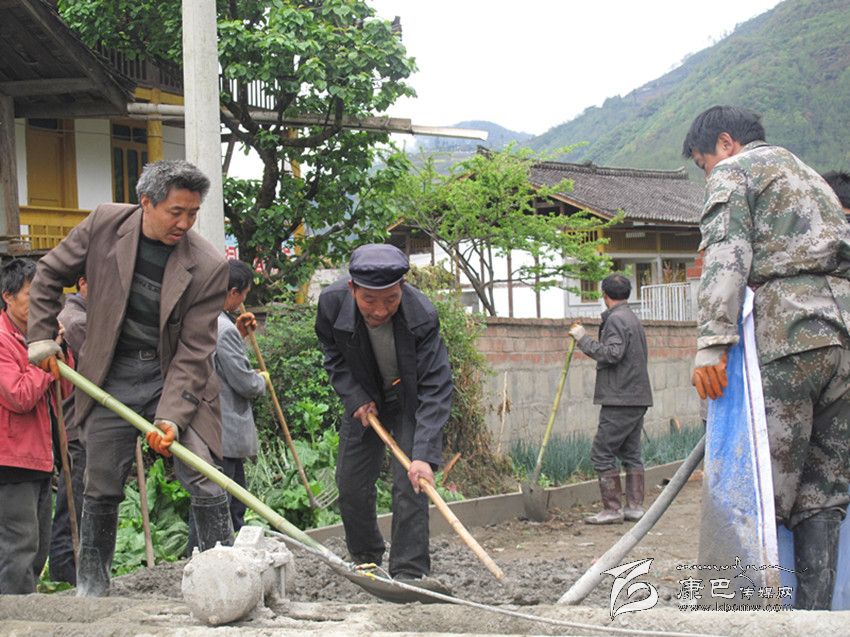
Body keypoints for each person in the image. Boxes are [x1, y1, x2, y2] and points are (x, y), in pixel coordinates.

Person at [27, 159, 232, 596]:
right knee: (100, 479)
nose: (185, 223)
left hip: (169, 373)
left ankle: (226, 581)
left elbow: (195, 350)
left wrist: (171, 417)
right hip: (109, 371)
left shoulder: (208, 265)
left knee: (202, 471)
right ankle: (93, 587)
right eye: (176, 212)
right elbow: (48, 274)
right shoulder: (105, 224)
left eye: (193, 213)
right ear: (146, 203)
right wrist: (42, 337)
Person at [682, 105, 850, 610]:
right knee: (823, 495)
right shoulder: (811, 177)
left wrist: (712, 344)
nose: (708, 174)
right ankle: (818, 620)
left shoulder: (737, 170)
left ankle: (759, 617)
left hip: (790, 336)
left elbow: (726, 254)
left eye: (703, 163)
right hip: (843, 337)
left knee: (764, 488)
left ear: (725, 143)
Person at [315, 244, 453, 592]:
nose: (380, 310)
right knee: (351, 483)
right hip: (365, 400)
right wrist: (354, 396)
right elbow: (333, 354)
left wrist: (423, 454)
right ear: (352, 289)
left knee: (412, 481)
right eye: (369, 300)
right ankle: (367, 561)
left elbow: (436, 386)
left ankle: (409, 572)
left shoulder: (421, 315)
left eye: (390, 299)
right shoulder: (331, 304)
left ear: (402, 287)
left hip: (408, 401)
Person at [0, 259, 70, 594]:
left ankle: (21, 607)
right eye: (32, 294)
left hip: (39, 457)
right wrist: (42, 362)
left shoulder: (35, 336)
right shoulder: (3, 340)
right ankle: (13, 615)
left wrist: (60, 351)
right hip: (12, 459)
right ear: (8, 296)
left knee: (37, 547)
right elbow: (19, 396)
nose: (41, 302)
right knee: (19, 546)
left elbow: (64, 391)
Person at [188, 260, 266, 550]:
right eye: (244, 294)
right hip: (225, 429)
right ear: (233, 292)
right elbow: (244, 382)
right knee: (226, 504)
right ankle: (218, 557)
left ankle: (204, 555)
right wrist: (261, 380)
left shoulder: (201, 318)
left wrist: (238, 333)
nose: (243, 300)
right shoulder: (223, 329)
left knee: (213, 501)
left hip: (205, 427)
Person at [568, 274, 652, 525]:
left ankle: (612, 509)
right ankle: (634, 507)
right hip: (637, 396)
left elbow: (613, 353)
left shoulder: (616, 320)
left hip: (620, 398)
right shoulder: (632, 318)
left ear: (604, 295)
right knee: (631, 452)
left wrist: (583, 339)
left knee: (602, 452)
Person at [48, 275, 89, 585]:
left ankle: (72, 570)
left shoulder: (80, 317)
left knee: (80, 502)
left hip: (80, 426)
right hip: (75, 427)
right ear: (83, 283)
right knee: (71, 504)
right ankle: (64, 573)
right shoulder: (75, 321)